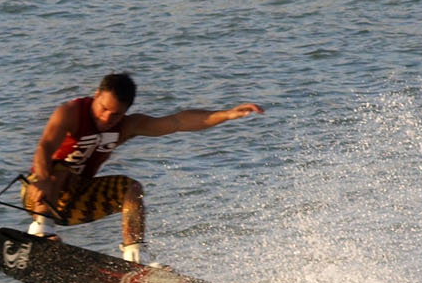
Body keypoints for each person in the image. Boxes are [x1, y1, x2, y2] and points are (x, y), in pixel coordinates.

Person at [22, 72, 263, 262]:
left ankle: (135, 256)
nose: (107, 118)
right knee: (62, 170)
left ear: (125, 112)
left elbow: (177, 122)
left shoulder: (127, 125)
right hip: (40, 195)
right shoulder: (71, 112)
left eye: (115, 114)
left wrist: (227, 115)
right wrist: (42, 178)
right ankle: (41, 232)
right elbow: (44, 146)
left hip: (78, 200)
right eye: (103, 109)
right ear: (96, 95)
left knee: (131, 189)